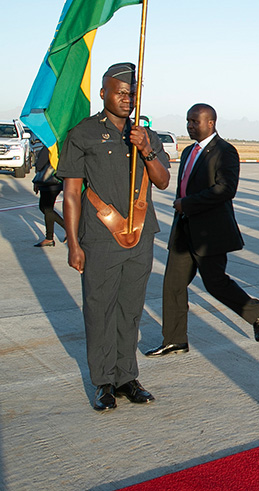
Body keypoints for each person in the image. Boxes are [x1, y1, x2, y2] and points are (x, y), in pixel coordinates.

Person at [57, 63, 170, 411]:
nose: (126, 98)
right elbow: (72, 194)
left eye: (131, 93)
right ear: (103, 93)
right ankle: (103, 382)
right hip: (100, 238)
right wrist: (74, 243)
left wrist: (146, 149)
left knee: (130, 311)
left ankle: (126, 377)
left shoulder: (145, 135)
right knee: (99, 310)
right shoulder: (84, 133)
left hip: (141, 235)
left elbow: (163, 181)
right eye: (119, 91)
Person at [145, 104, 259, 358]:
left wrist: (186, 203)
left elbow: (225, 189)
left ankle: (255, 310)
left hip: (210, 233)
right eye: (187, 121)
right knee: (173, 286)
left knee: (214, 283)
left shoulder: (225, 151)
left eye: (194, 122)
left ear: (210, 123)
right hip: (184, 230)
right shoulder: (190, 150)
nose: (189, 126)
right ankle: (175, 339)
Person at [32, 146, 65, 247]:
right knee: (46, 208)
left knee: (46, 208)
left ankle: (50, 237)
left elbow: (41, 162)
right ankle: (52, 236)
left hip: (48, 182)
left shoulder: (49, 144)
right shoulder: (61, 144)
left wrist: (37, 178)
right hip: (58, 180)